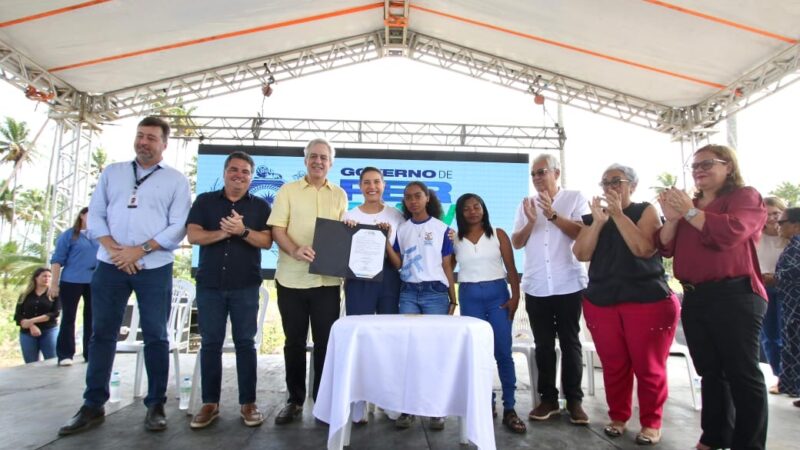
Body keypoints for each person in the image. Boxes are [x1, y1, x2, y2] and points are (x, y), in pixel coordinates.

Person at [58, 116, 192, 436]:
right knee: (102, 334)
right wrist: (117, 251)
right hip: (110, 264)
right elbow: (96, 214)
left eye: (151, 138)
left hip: (154, 267)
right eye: (140, 136)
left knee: (156, 335)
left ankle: (155, 404)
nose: (143, 142)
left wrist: (140, 250)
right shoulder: (113, 172)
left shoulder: (176, 180)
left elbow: (178, 225)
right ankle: (92, 404)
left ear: (164, 144)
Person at [657, 144, 767, 450]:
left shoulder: (744, 197)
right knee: (710, 372)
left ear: (728, 166)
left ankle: (749, 444)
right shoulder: (688, 207)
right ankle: (714, 436)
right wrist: (674, 217)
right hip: (695, 296)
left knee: (742, 374)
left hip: (735, 294)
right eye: (695, 167)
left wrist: (689, 212)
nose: (699, 170)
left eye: (707, 164)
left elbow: (730, 233)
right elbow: (664, 247)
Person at [573, 164, 679, 445]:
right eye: (604, 182)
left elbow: (644, 249)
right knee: (614, 365)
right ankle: (618, 417)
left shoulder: (644, 210)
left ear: (632, 185)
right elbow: (581, 253)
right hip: (602, 301)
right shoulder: (595, 216)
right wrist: (598, 222)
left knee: (648, 366)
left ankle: (651, 423)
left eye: (616, 181)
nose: (609, 187)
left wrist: (618, 215)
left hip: (646, 300)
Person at [186, 151, 272, 429]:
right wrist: (225, 232)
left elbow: (267, 241)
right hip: (209, 284)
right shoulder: (205, 202)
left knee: (245, 344)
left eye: (245, 171)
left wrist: (243, 230)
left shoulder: (260, 206)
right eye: (234, 170)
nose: (239, 175)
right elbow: (194, 235)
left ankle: (248, 403)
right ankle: (210, 403)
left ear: (251, 176)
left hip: (245, 286)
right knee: (210, 344)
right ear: (224, 173)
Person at [268, 138, 347, 425]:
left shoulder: (339, 195)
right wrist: (294, 249)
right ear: (305, 160)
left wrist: (347, 231)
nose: (318, 161)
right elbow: (277, 229)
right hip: (291, 280)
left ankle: (322, 402)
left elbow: (340, 234)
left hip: (327, 282)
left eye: (323, 158)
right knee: (294, 342)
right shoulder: (287, 191)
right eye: (313, 156)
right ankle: (294, 400)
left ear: (331, 163)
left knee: (326, 344)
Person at [511, 153, 590, 425]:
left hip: (568, 282)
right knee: (543, 344)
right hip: (537, 285)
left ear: (556, 173)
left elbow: (582, 233)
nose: (536, 178)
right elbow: (517, 242)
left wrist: (553, 215)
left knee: (570, 342)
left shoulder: (575, 198)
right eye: (533, 174)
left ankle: (575, 401)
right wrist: (532, 221)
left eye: (541, 172)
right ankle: (548, 399)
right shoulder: (526, 205)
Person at [453, 193, 526, 434]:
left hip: (498, 296)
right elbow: (446, 266)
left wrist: (515, 297)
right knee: (478, 355)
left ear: (483, 208)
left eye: (477, 206)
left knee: (503, 353)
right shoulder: (455, 239)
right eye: (467, 208)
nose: (473, 211)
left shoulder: (498, 234)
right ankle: (486, 402)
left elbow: (511, 269)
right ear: (461, 213)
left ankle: (510, 408)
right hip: (469, 296)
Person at [390, 181, 457, 430]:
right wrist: (387, 245)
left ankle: (435, 409)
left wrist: (453, 296)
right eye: (408, 197)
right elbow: (398, 263)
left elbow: (447, 264)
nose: (413, 201)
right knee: (408, 350)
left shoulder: (442, 229)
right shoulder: (402, 229)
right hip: (408, 292)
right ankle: (407, 408)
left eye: (417, 196)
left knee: (434, 351)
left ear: (427, 198)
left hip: (435, 293)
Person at [342, 166, 404, 316]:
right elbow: (342, 255)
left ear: (384, 185)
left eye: (377, 182)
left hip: (389, 278)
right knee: (359, 326)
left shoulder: (396, 215)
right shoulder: (349, 216)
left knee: (388, 327)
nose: (372, 187)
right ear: (360, 186)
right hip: (358, 279)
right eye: (367, 182)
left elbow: (402, 253)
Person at [50, 206, 98, 366]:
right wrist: (54, 284)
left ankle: (90, 353)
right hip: (71, 280)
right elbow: (57, 260)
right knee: (69, 317)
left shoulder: (99, 235)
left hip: (93, 281)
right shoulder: (69, 235)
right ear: (82, 216)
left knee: (92, 317)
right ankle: (65, 354)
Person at [757, 196, 787, 394]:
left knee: (791, 335)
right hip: (763, 288)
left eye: (776, 213)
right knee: (770, 337)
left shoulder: (792, 235)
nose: (772, 218)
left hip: (788, 290)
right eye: (767, 214)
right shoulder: (754, 236)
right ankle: (780, 377)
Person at [776, 207, 800, 406]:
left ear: (795, 225)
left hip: (796, 304)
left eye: (782, 222)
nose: (778, 226)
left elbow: (795, 271)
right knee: (793, 345)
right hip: (791, 303)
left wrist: (773, 278)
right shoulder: (793, 244)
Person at [15, 267, 60, 363]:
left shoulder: (54, 294)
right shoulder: (25, 294)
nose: (47, 278)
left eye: (49, 276)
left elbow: (54, 313)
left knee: (52, 360)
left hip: (49, 331)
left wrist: (31, 321)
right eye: (44, 276)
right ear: (36, 278)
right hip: (27, 333)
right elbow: (18, 315)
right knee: (30, 363)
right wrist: (31, 326)